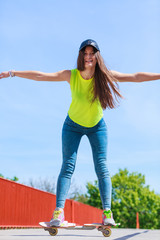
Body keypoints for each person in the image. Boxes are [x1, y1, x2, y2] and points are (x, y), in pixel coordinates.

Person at [0, 39, 160, 226]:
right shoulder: (71, 75)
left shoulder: (104, 75)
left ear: (97, 56)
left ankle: (107, 212)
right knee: (68, 166)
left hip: (97, 127)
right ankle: (59, 212)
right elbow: (41, 76)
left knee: (102, 167)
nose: (87, 57)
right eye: (84, 53)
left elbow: (135, 77)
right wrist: (13, 73)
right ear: (80, 56)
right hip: (72, 126)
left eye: (91, 53)